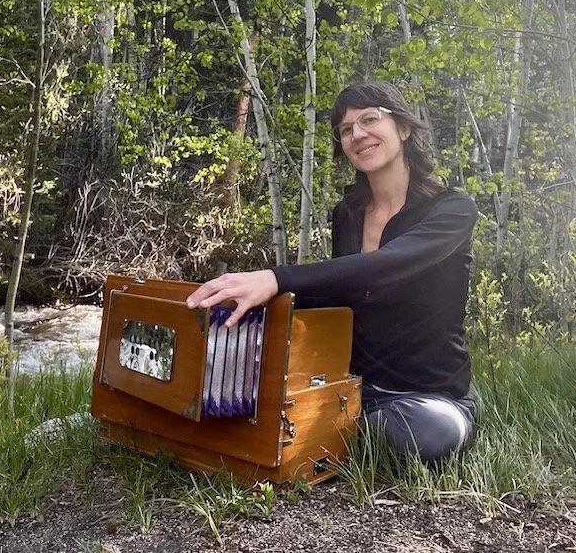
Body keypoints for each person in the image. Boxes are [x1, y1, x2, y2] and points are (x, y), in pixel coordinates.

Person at [186, 81, 478, 462]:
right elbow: (339, 293)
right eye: (345, 129)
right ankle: (336, 425)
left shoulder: (452, 210)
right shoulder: (348, 214)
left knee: (428, 435)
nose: (358, 134)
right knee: (231, 396)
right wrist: (250, 297)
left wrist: (276, 276)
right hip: (350, 385)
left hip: (428, 396)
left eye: (370, 119)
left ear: (403, 128)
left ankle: (341, 429)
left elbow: (385, 265)